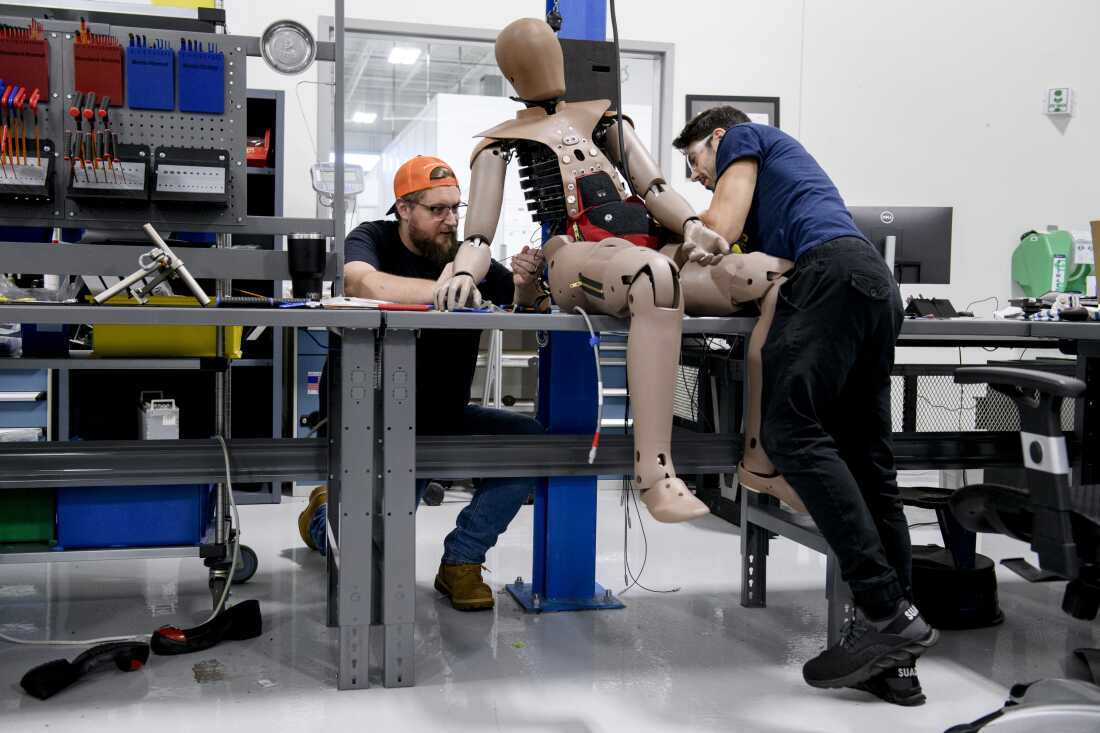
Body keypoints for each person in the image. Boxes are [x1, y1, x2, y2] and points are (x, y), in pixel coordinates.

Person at [674, 106, 939, 690]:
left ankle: (884, 610)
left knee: (791, 432)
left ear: (719, 138)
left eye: (695, 162)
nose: (696, 176)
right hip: (872, 283)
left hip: (832, 275)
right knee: (870, 466)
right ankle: (896, 664)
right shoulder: (785, 193)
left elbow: (717, 226)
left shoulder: (746, 137)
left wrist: (681, 235)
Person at [298, 155, 546, 612]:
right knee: (373, 554)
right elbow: (362, 283)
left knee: (529, 443)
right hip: (370, 418)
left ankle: (462, 561)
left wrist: (528, 285)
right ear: (404, 209)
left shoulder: (466, 256)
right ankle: (321, 517)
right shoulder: (371, 237)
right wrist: (445, 291)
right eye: (437, 210)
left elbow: (517, 300)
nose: (451, 220)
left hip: (442, 416)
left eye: (456, 208)